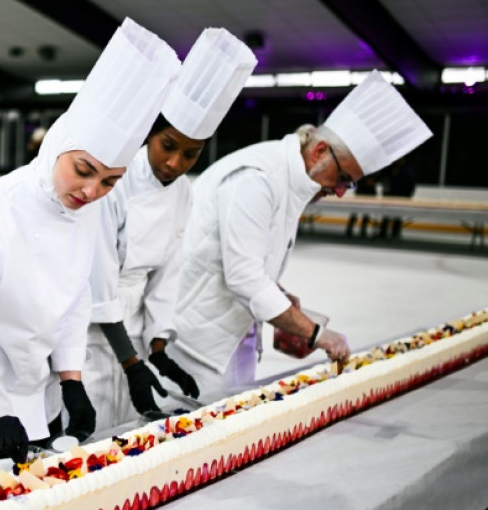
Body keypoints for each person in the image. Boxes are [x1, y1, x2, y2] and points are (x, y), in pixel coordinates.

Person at [0, 17, 180, 463]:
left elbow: (74, 298)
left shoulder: (85, 209)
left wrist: (72, 381)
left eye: (110, 181)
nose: (91, 191)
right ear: (57, 145)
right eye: (83, 170)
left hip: (41, 399)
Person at [163, 71, 433, 401]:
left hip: (229, 339)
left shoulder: (292, 182)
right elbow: (243, 277)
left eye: (349, 184)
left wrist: (281, 300)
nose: (340, 192)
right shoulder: (258, 180)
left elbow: (246, 261)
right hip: (195, 348)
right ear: (320, 151)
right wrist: (316, 333)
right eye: (343, 178)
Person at [86, 28, 257, 429]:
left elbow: (166, 275)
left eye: (191, 154)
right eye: (168, 146)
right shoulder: (114, 183)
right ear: (151, 134)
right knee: (90, 439)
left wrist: (158, 349)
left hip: (134, 338)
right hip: (89, 337)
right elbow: (99, 284)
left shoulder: (183, 192)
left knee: (128, 438)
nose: (175, 163)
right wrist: (131, 362)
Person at [378, 158, 417, 239]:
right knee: (386, 215)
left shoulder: (407, 171)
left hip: (401, 196)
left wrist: (407, 196)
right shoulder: (389, 169)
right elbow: (385, 181)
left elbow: (411, 185)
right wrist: (385, 194)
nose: (398, 161)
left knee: (398, 215)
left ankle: (395, 232)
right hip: (389, 196)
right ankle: (383, 232)